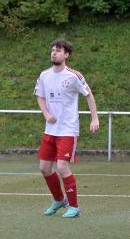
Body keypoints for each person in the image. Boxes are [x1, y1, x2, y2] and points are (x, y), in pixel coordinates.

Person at [34, 39, 99, 218]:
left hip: (68, 130)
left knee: (62, 166)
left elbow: (89, 95)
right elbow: (39, 96)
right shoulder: (44, 75)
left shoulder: (73, 76)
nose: (54, 53)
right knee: (44, 168)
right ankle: (58, 200)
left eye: (58, 50)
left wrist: (94, 118)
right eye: (53, 50)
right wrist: (46, 113)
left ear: (67, 55)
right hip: (50, 130)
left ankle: (74, 206)